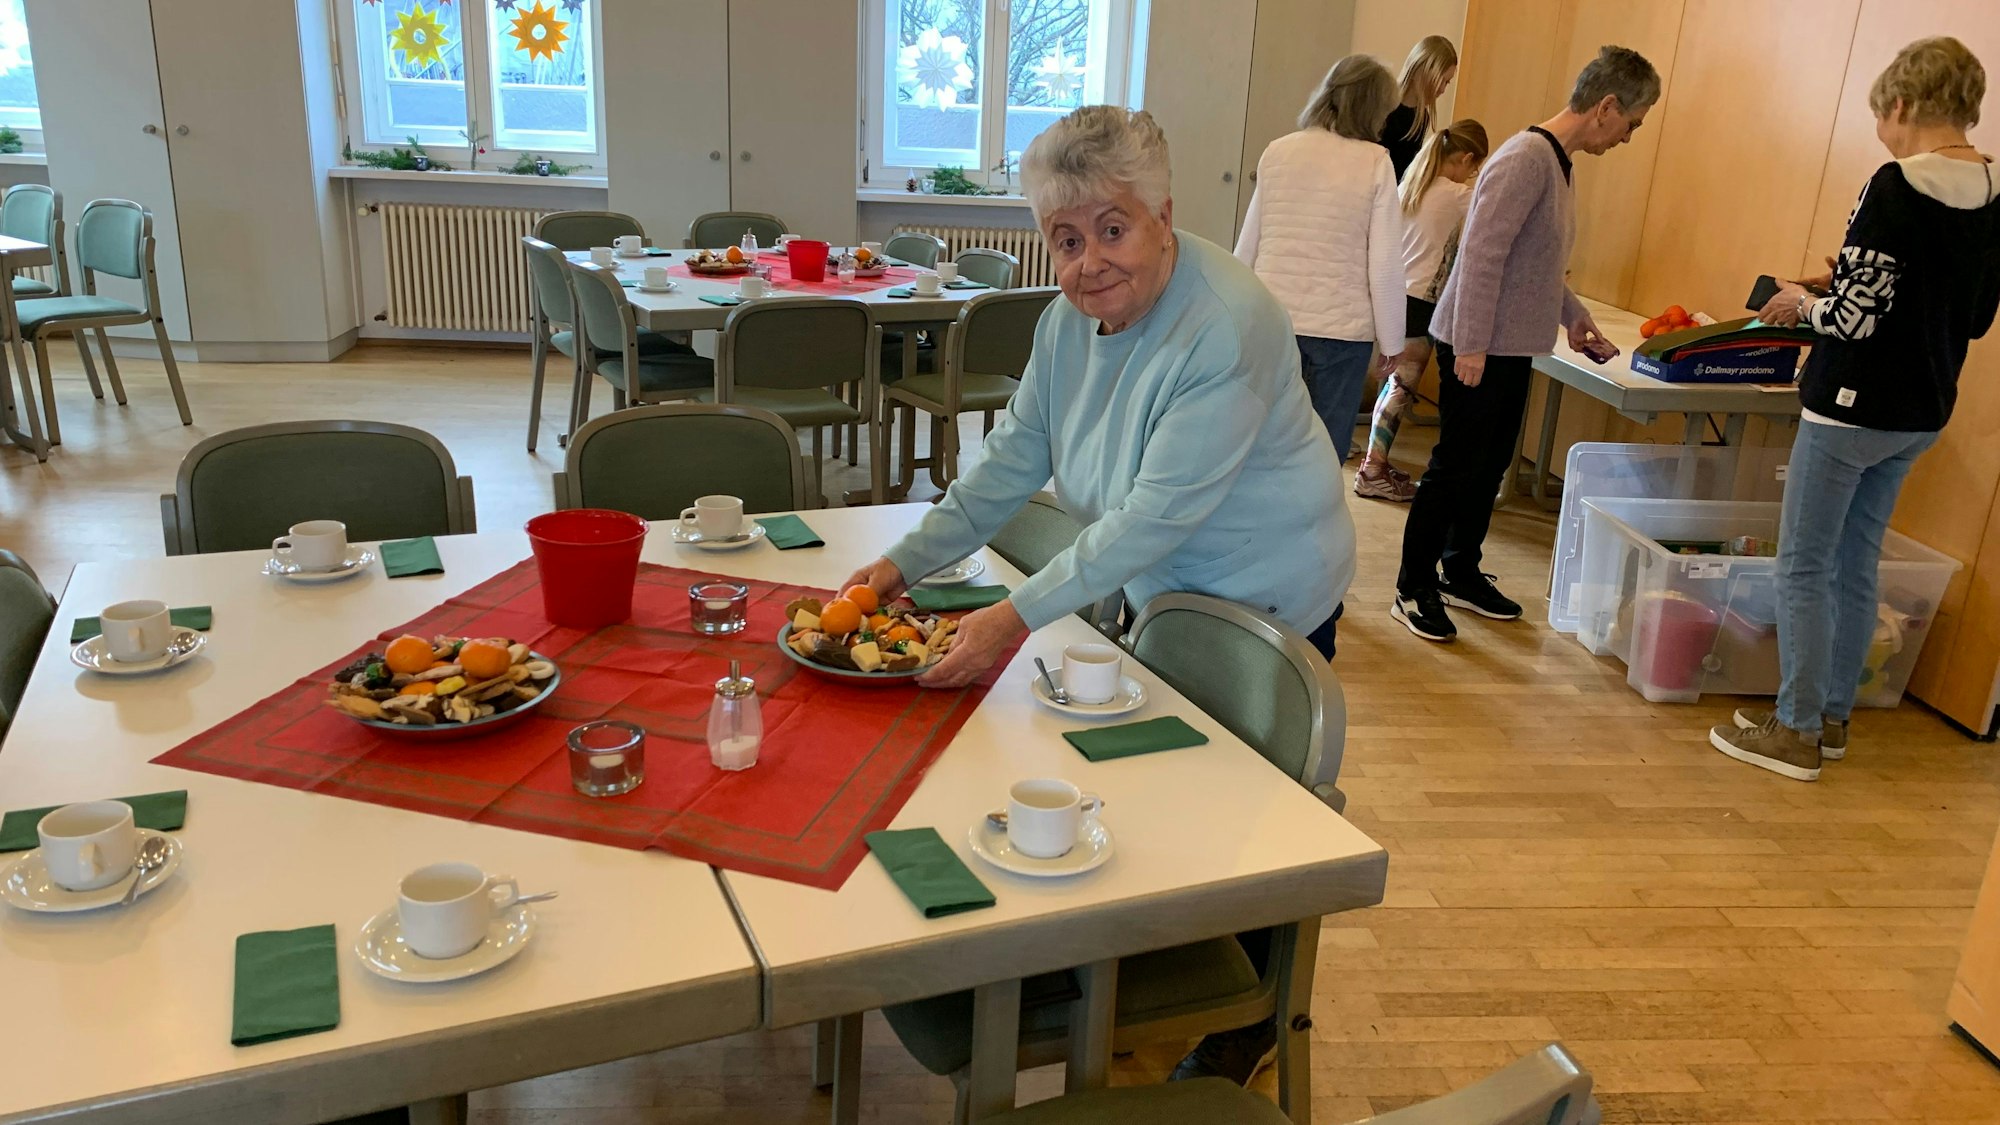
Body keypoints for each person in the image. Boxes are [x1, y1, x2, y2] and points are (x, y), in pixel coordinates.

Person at [842, 105, 1356, 700]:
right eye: (1067, 240)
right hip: (1157, 585)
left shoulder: (1228, 329)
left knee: (1233, 783)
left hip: (1268, 596)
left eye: (1114, 230)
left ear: (1163, 219)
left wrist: (1010, 619)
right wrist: (903, 562)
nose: (1091, 263)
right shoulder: (1065, 322)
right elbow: (1010, 462)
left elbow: (1150, 520)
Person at [1711, 37, 1999, 782]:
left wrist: (1805, 302)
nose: (1883, 131)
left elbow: (1853, 321)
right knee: (1855, 561)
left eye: (1884, 117)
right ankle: (1830, 716)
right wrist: (1857, 288)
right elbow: (1970, 317)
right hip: (1922, 410)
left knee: (1803, 564)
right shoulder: (1995, 195)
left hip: (1850, 406)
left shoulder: (1894, 185)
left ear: (1901, 105)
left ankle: (1796, 729)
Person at [1392, 45, 1655, 643]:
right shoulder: (1525, 158)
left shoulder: (1558, 162)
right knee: (1455, 469)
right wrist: (1473, 347)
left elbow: (1536, 265)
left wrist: (1575, 318)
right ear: (1607, 108)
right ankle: (1413, 585)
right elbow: (1482, 256)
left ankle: (1459, 569)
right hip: (1479, 344)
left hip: (1508, 345)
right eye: (1632, 124)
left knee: (1488, 466)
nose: (1629, 137)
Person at [1236, 55, 1405, 464]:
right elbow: (1384, 263)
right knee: (1324, 452)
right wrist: (1393, 339)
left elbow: (1249, 244)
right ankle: (1311, 523)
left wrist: (1235, 316)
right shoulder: (1376, 162)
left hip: (1274, 320)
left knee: (1266, 441)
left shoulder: (1277, 152)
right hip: (1341, 329)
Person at [1356, 119, 1490, 502]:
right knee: (1401, 387)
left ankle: (1374, 463)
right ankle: (1373, 469)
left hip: (1394, 292)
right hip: (1419, 299)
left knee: (1391, 384)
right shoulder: (1455, 194)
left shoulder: (1413, 184)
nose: (1473, 175)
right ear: (1465, 159)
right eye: (1474, 167)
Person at [1380, 35, 1459, 179]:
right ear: (1423, 70)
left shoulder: (1422, 119)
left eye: (1447, 83)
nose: (1442, 89)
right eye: (1441, 80)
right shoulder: (1383, 106)